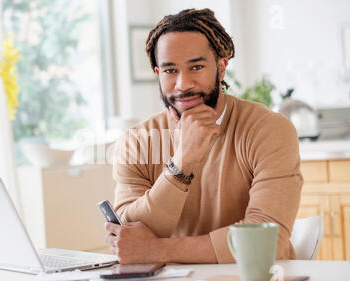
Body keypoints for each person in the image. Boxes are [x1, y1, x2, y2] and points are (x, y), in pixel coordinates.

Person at [104, 8, 303, 264]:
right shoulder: (137, 141)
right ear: (157, 73)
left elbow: (267, 241)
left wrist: (159, 250)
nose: (183, 84)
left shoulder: (269, 130)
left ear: (221, 68)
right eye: (170, 70)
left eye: (196, 67)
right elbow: (130, 235)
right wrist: (182, 163)